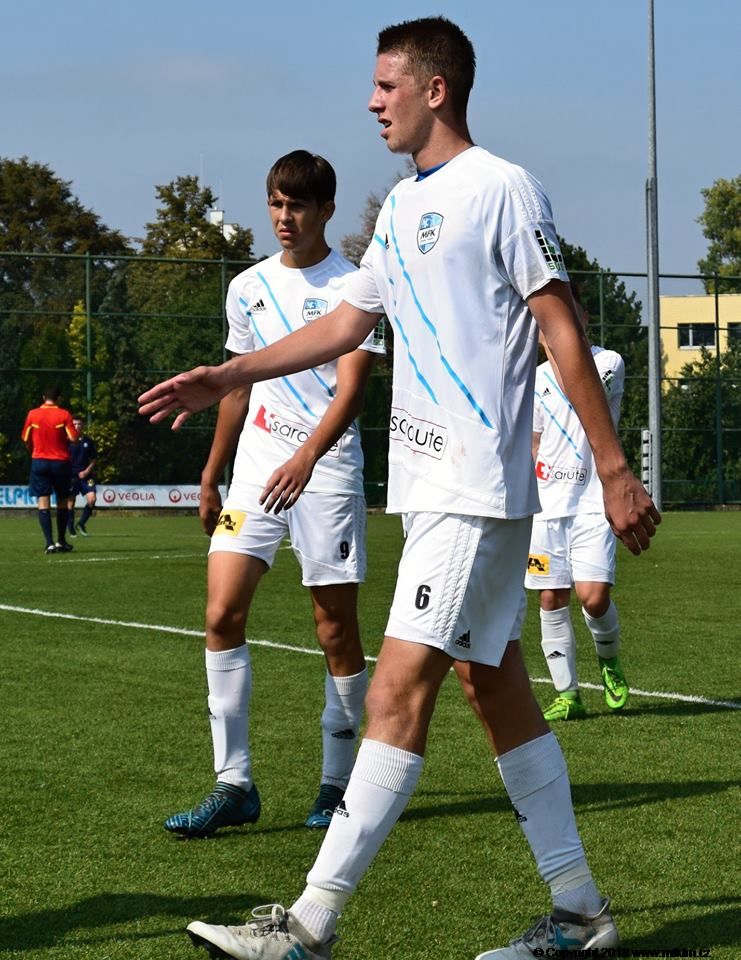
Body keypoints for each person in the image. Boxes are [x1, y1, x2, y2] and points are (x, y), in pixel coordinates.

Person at [139, 17, 661, 960]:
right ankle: (580, 914)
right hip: (434, 495)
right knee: (492, 686)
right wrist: (229, 375)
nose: (372, 102)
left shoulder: (499, 188)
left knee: (395, 690)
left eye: (386, 85)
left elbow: (561, 326)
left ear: (435, 89)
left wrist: (613, 467)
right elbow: (345, 324)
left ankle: (308, 926)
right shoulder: (400, 208)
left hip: (472, 490)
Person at [162, 150, 384, 841]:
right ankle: (234, 784)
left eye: (297, 206)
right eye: (276, 204)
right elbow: (236, 385)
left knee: (334, 628)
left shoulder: (356, 286)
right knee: (221, 612)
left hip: (324, 468)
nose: (284, 217)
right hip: (256, 471)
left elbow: (352, 390)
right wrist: (212, 472)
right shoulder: (247, 286)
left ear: (326, 210)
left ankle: (337, 781)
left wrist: (307, 457)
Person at [525, 288, 629, 721]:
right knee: (551, 598)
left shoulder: (607, 363)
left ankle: (608, 660)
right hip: (546, 507)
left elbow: (576, 388)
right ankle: (568, 695)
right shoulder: (533, 379)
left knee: (593, 598)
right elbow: (534, 441)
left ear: (583, 318)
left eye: (568, 313)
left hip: (593, 501)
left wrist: (556, 342)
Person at [22, 385, 77, 555]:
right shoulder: (64, 414)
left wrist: (33, 451)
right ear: (58, 399)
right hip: (60, 463)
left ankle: (49, 543)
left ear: (43, 398)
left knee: (43, 500)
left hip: (39, 461)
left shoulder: (33, 414)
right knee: (62, 500)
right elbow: (73, 437)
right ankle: (61, 541)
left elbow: (25, 438)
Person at [67, 415, 98, 537]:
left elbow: (94, 460)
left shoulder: (88, 441)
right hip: (71, 476)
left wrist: (86, 471)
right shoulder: (66, 441)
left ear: (83, 426)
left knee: (92, 499)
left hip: (86, 476)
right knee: (70, 502)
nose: (77, 426)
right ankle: (71, 528)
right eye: (74, 424)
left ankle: (81, 524)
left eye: (79, 424)